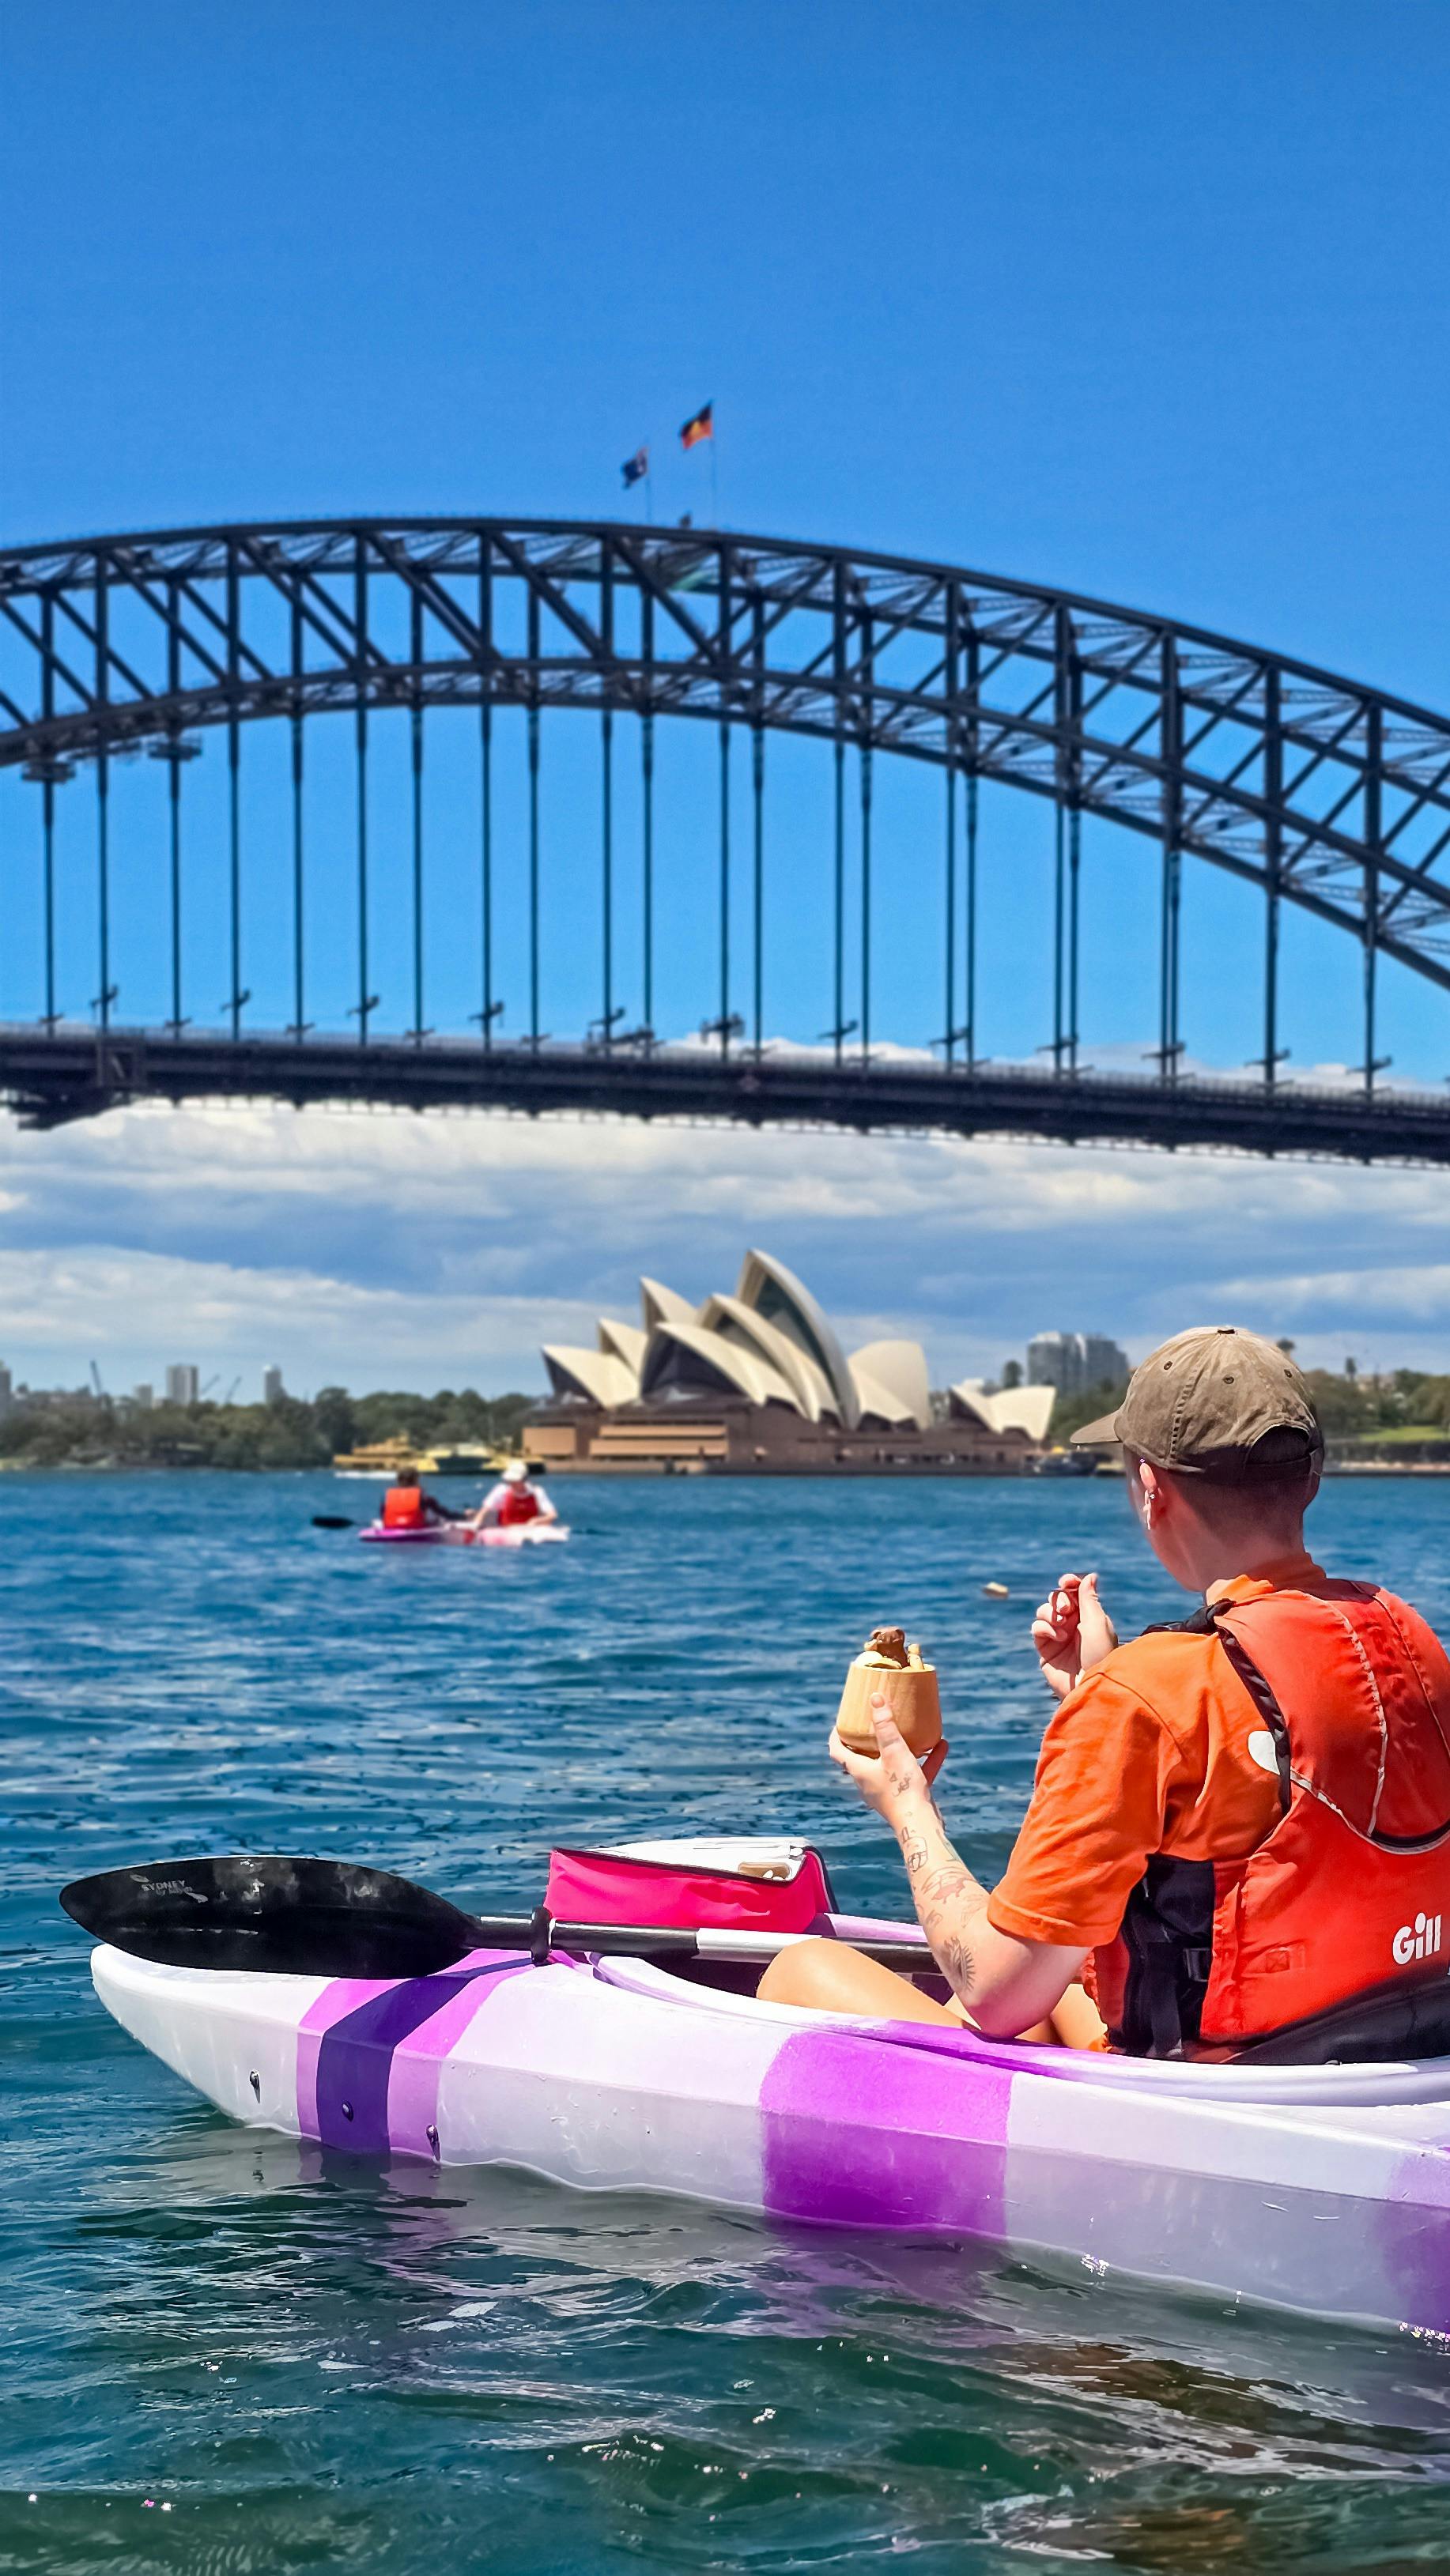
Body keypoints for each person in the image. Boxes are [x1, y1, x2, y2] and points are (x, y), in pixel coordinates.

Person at [759, 1325, 1450, 2057]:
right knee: (1055, 1983)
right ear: (1310, 1479)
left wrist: (906, 1801)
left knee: (804, 1965)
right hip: (1376, 2056)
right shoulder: (1408, 1635)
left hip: (1216, 2099)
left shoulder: (1147, 1693)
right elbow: (1265, 1768)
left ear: (1152, 1490)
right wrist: (1095, 1687)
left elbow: (996, 1996)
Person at [470, 1458, 558, 1530]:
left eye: (515, 1480)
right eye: (510, 1480)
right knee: (474, 1514)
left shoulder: (537, 1492)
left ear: (524, 1479)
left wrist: (536, 1521)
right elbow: (484, 1511)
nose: (511, 1483)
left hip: (531, 1530)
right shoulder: (501, 1490)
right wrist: (476, 1524)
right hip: (506, 1530)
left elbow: (553, 1515)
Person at [379, 1464, 459, 1529]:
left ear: (398, 1480)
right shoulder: (424, 1498)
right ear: (416, 1480)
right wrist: (465, 1516)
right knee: (438, 1516)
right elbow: (444, 1513)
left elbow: (383, 1515)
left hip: (392, 1526)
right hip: (417, 1526)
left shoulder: (388, 1497)